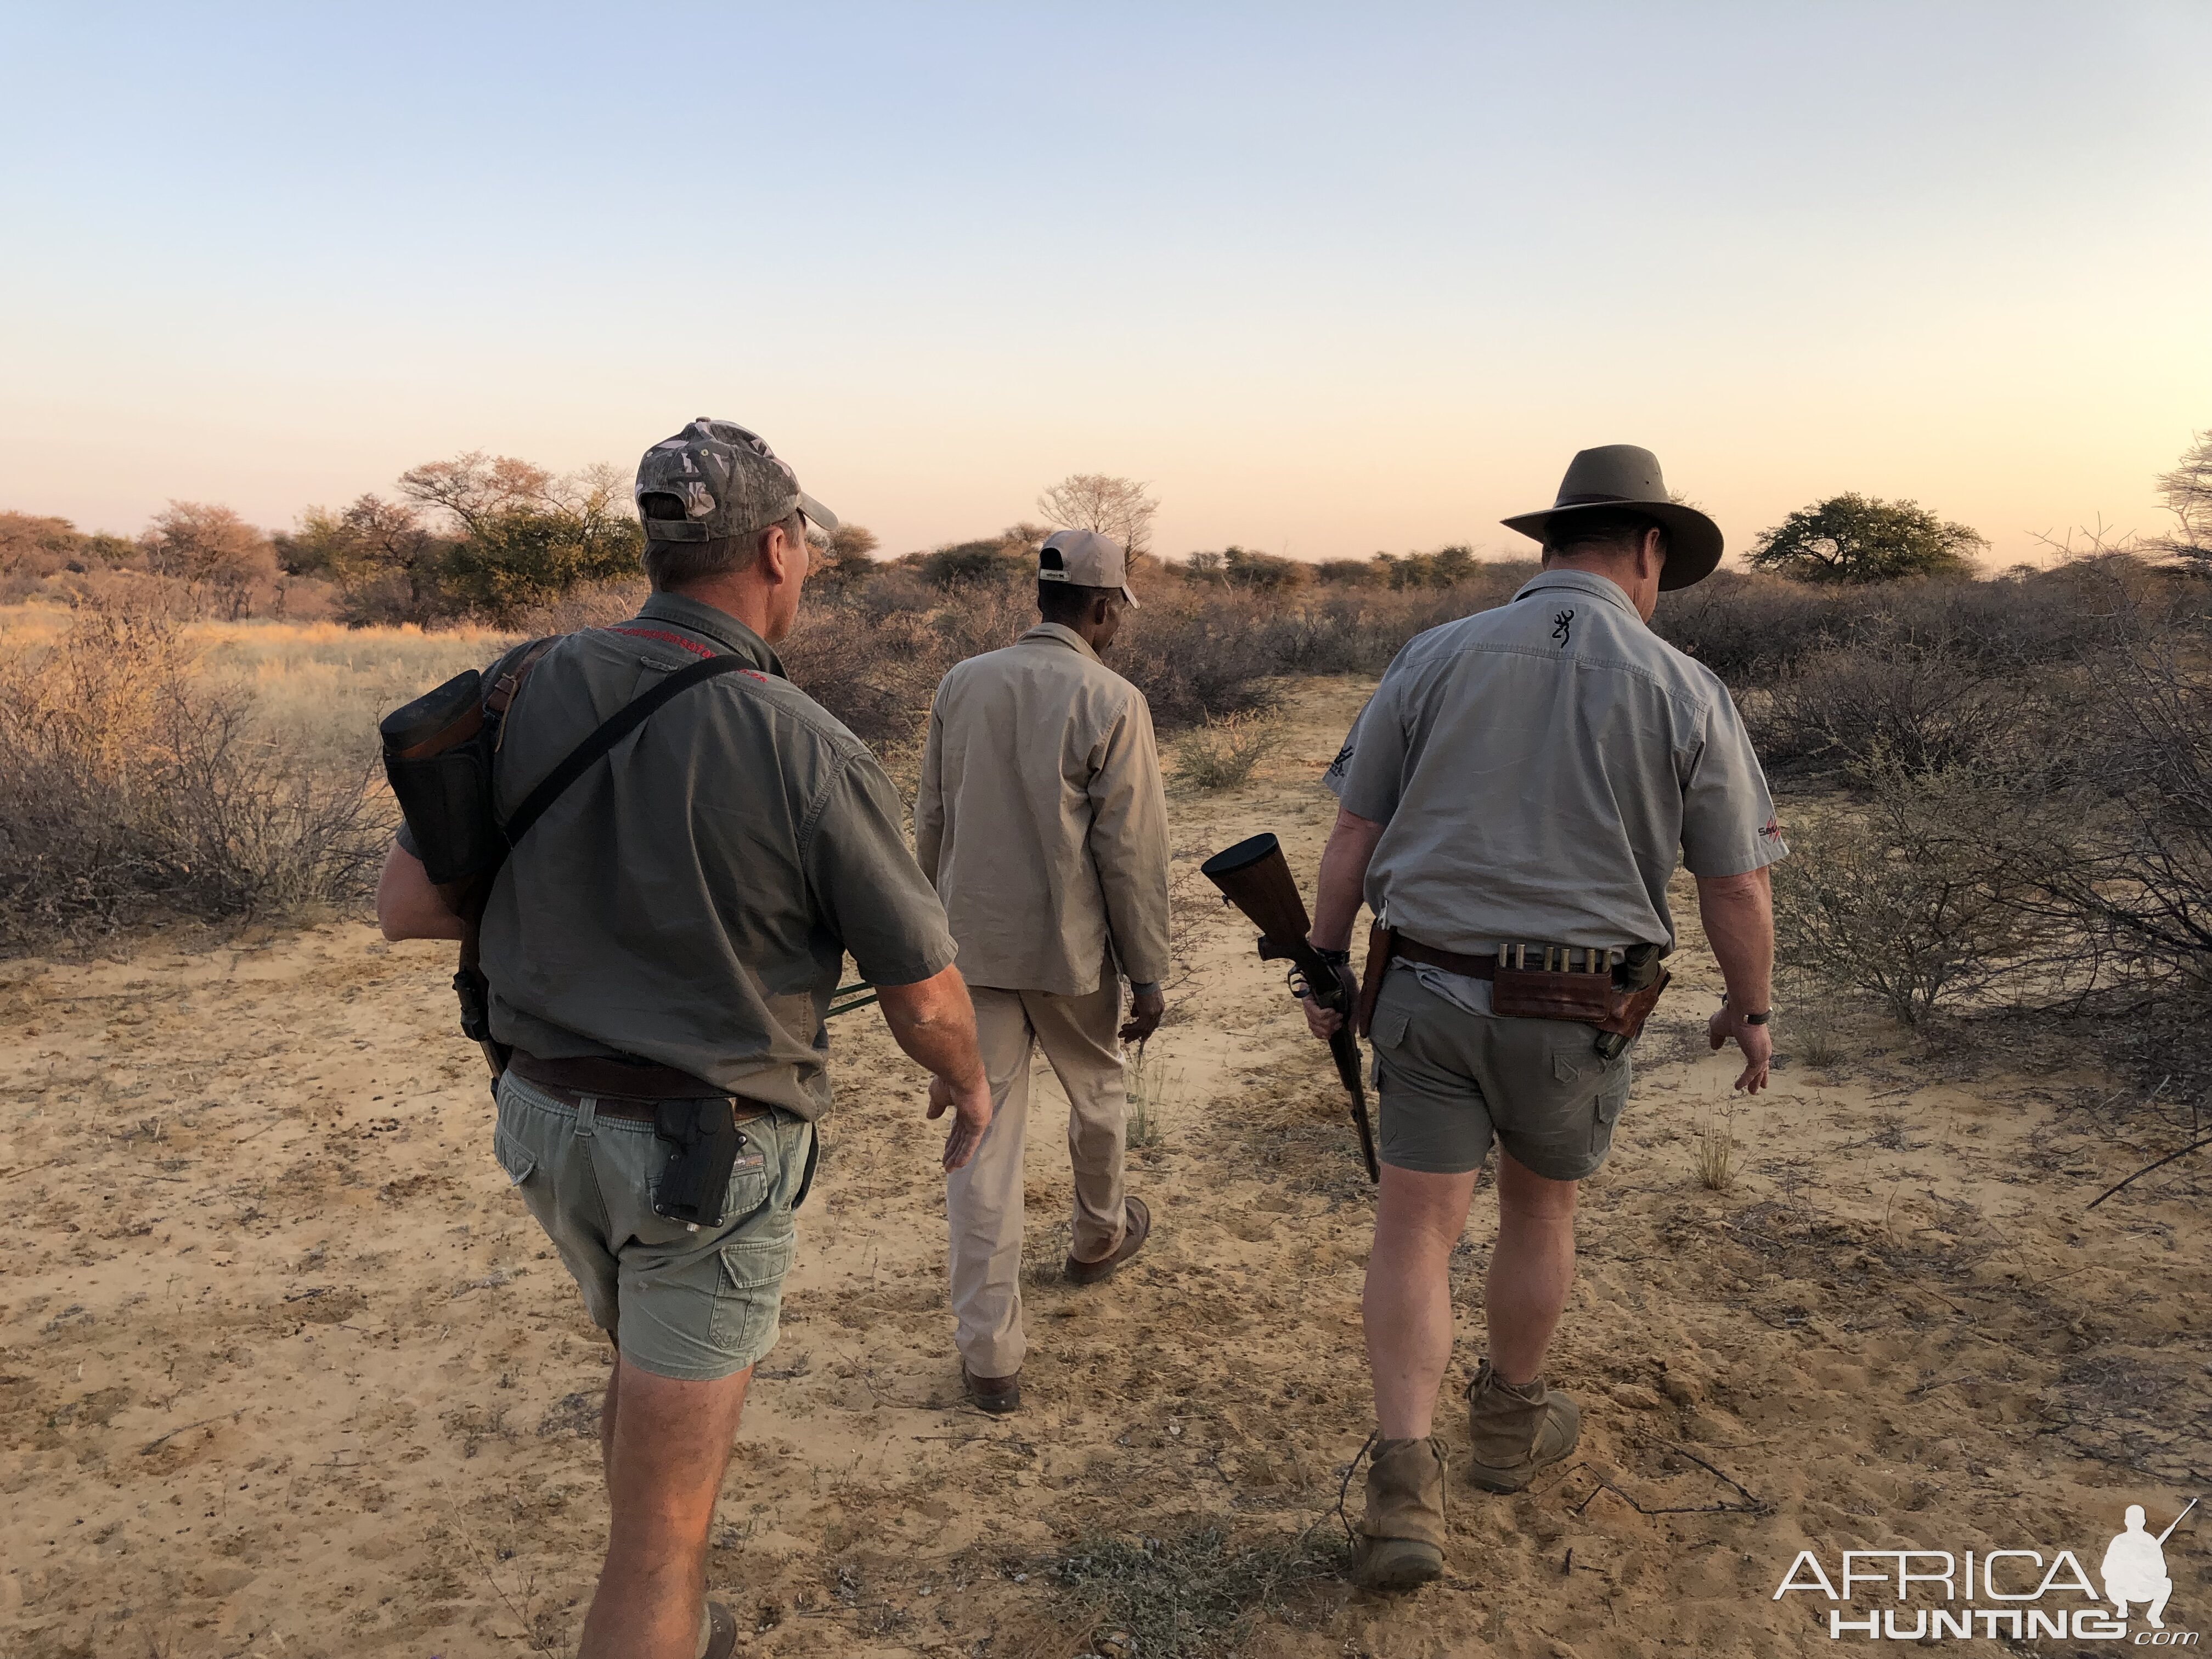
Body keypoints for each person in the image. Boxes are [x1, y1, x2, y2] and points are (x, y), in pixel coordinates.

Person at [375, 418, 992, 1659]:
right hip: (700, 1159)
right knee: (660, 1547)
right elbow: (926, 997)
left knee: (642, 1365)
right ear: (776, 546)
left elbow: (408, 909)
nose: (805, 567)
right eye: (805, 546)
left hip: (545, 1123)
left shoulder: (520, 682)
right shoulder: (799, 740)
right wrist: (972, 1092)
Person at [1301, 445, 1786, 1590]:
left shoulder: (1431, 656)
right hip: (1580, 1012)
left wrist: (1324, 962)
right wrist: (1751, 1008)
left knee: (1416, 1227)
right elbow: (1736, 886)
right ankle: (1510, 1429)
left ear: (1551, 540)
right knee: (1538, 1209)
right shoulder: (1684, 686)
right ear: (1651, 549)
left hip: (1422, 988)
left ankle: (1403, 1487)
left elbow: (1353, 840)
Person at [915, 528, 1172, 1413]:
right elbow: (1129, 850)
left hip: (967, 948)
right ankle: (1098, 1233)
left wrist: (922, 946)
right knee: (1098, 1086)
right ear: (1102, 608)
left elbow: (933, 818)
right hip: (1071, 955)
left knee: (979, 1141)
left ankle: (990, 1355)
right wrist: (1147, 970)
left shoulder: (962, 681)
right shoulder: (1111, 697)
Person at [2102, 1504, 2175, 1628]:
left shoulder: (2151, 1542)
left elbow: (2162, 1571)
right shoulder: (2119, 1541)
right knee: (2109, 1583)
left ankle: (2154, 1615)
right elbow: (2106, 1570)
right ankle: (2122, 1607)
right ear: (2126, 1522)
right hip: (2123, 1589)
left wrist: (2145, 1568)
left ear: (2143, 1522)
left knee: (2166, 1583)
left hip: (2145, 1590)